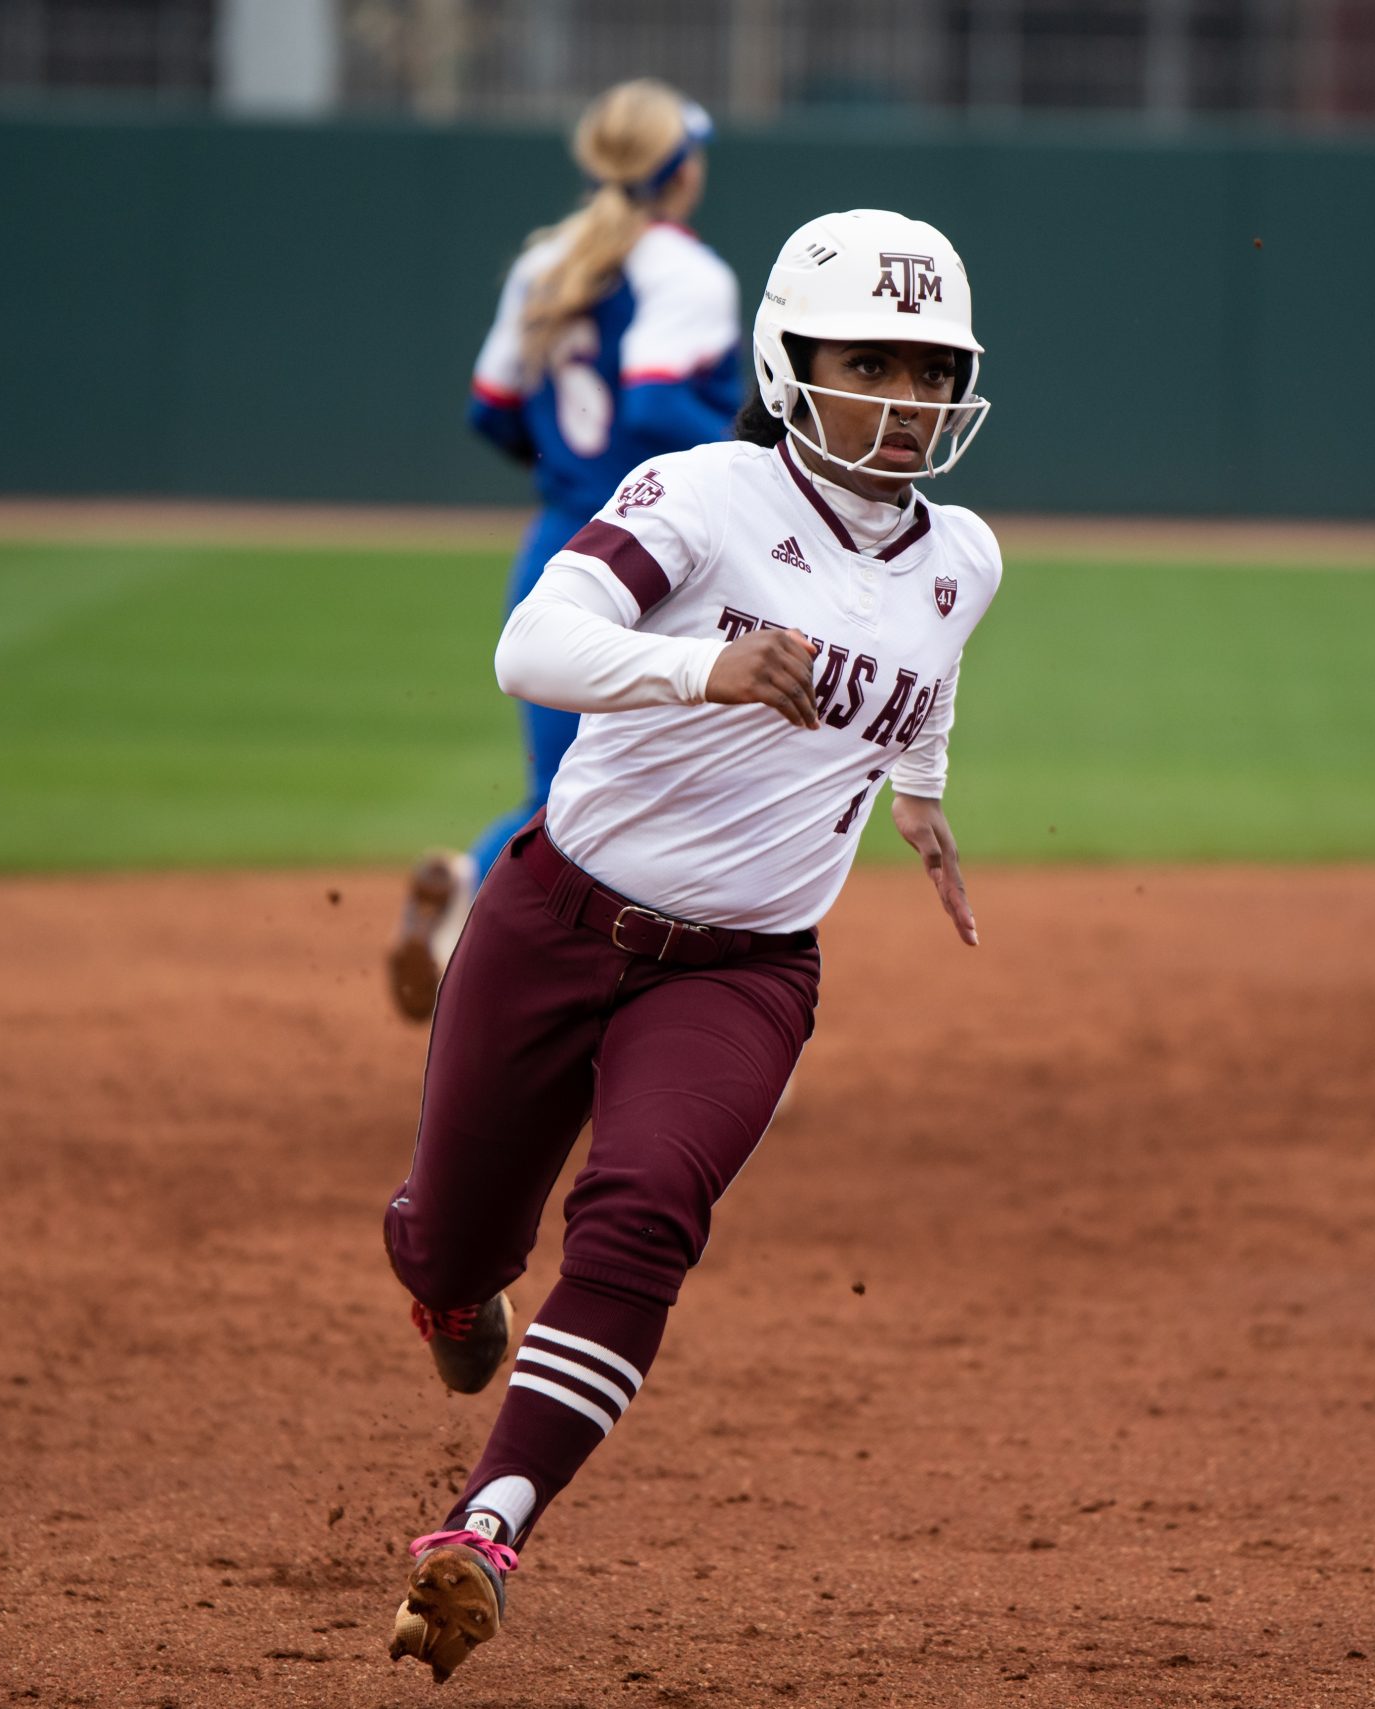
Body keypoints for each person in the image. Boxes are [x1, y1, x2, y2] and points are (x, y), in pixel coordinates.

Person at [380, 208, 998, 1682]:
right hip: (550, 916)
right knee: (453, 1240)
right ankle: (454, 1291)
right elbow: (533, 645)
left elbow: (932, 670)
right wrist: (700, 669)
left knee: (648, 1208)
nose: (907, 402)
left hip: (744, 971)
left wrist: (919, 793)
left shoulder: (964, 554)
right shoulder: (704, 492)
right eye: (874, 365)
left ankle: (484, 1528)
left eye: (932, 372)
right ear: (788, 364)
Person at [389, 78, 744, 1022]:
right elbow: (659, 404)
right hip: (658, 560)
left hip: (557, 546)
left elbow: (491, 412)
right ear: (680, 167)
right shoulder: (688, 273)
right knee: (701, 794)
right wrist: (765, 452)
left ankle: (463, 891)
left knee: (569, 795)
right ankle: (699, 1011)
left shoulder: (547, 261)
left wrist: (567, 473)